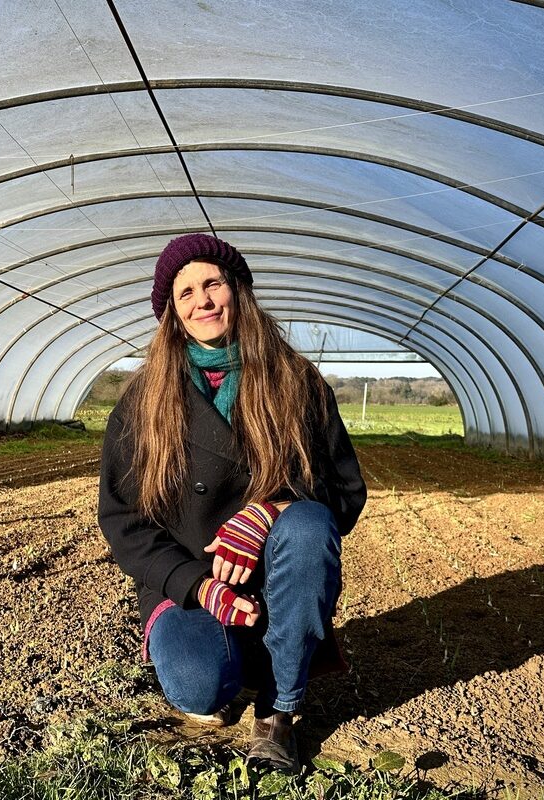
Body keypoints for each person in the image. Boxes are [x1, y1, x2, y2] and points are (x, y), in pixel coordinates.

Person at [97, 233, 367, 772]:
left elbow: (344, 490)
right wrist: (195, 585)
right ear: (172, 313)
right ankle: (229, 650)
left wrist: (272, 509)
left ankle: (278, 712)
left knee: (310, 525)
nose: (203, 301)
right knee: (199, 687)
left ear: (238, 290)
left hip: (274, 578)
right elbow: (122, 518)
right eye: (186, 293)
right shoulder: (143, 400)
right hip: (192, 579)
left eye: (213, 284)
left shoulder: (296, 381)